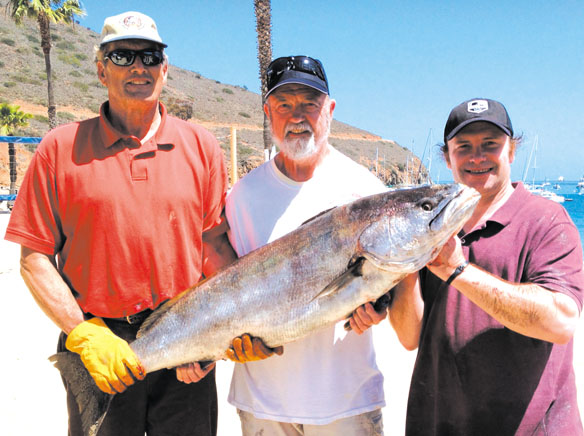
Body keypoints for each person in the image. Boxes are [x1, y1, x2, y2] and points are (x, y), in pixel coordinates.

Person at [4, 11, 235, 436]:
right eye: (122, 56)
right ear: (100, 69)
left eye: (149, 56)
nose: (138, 68)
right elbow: (34, 257)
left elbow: (214, 249)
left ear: (165, 69)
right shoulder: (60, 149)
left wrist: (211, 335)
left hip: (183, 343)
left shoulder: (201, 146)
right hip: (97, 346)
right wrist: (84, 335)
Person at [390, 98, 584, 435]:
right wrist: (406, 276)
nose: (477, 157)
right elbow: (410, 338)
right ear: (447, 158)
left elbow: (560, 321)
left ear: (511, 151)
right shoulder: (431, 225)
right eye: (463, 146)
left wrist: (458, 271)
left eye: (490, 145)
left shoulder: (547, 220)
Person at [224, 55, 388, 435]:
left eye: (309, 103)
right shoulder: (242, 196)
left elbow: (391, 290)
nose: (297, 115)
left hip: (347, 404)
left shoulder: (366, 191)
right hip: (262, 404)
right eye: (284, 104)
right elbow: (225, 291)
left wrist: (378, 309)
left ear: (329, 110)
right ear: (268, 112)